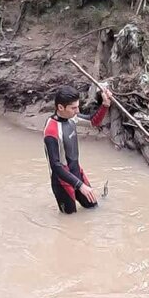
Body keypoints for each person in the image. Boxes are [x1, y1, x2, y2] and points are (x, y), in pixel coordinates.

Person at [44, 84, 112, 214]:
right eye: (73, 108)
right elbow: (56, 166)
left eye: (78, 106)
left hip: (77, 174)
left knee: (93, 209)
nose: (78, 111)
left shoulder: (72, 118)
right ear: (60, 107)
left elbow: (93, 122)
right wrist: (80, 186)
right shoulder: (51, 130)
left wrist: (105, 105)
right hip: (62, 183)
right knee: (69, 222)